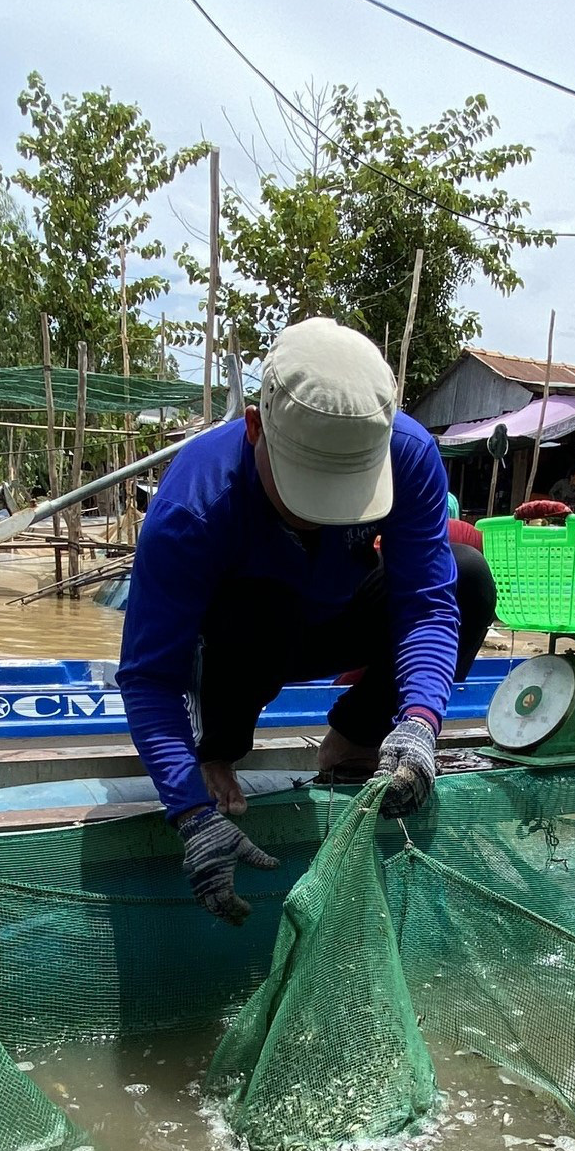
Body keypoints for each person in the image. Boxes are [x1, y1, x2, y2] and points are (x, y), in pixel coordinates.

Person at [118, 317, 497, 923]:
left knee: (469, 578)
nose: (319, 517)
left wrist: (422, 720)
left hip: (335, 615)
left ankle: (353, 743)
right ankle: (218, 751)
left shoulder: (411, 456)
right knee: (255, 604)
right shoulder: (195, 504)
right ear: (255, 428)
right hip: (240, 640)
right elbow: (149, 677)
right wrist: (189, 810)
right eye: (304, 493)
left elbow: (426, 604)